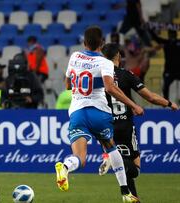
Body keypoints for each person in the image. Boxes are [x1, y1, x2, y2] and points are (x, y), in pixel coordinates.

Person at [54, 26, 143, 203]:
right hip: (99, 113)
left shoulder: (75, 57)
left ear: (84, 43)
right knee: (111, 148)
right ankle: (125, 192)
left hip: (78, 112)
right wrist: (133, 104)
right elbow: (110, 88)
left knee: (80, 158)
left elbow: (67, 85)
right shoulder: (105, 63)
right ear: (101, 44)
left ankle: (64, 167)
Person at [98, 43, 179, 199]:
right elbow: (150, 97)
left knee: (122, 170)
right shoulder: (126, 74)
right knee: (134, 169)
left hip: (106, 127)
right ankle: (132, 196)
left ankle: (112, 160)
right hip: (125, 125)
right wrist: (169, 103)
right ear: (118, 56)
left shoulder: (98, 77)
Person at [149, 29, 180, 99]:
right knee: (165, 86)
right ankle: (166, 103)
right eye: (170, 34)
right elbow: (155, 38)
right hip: (169, 70)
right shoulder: (166, 42)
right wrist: (149, 29)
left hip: (179, 69)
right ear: (168, 35)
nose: (172, 35)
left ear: (176, 34)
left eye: (173, 33)